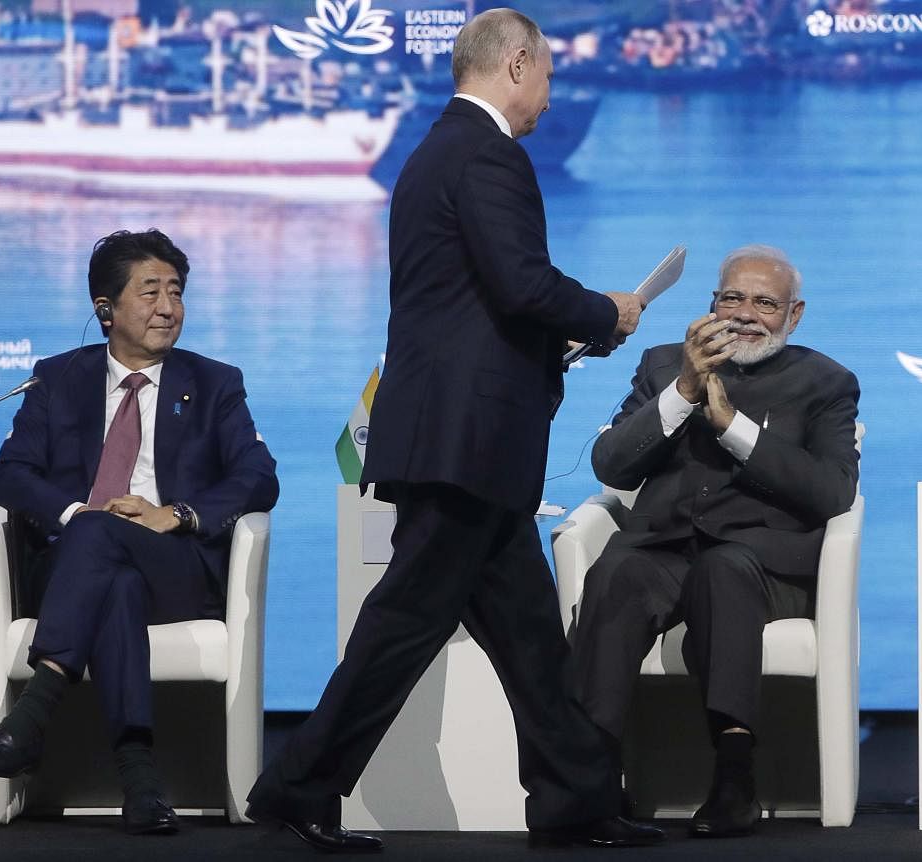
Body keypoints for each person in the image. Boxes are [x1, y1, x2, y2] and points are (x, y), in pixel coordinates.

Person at [246, 9, 661, 854]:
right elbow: (520, 285)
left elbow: (480, 300)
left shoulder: (437, 150)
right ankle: (296, 789)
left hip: (464, 440)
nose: (550, 96)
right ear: (515, 64)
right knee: (402, 625)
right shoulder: (487, 154)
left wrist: (566, 325)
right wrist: (606, 313)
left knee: (532, 640)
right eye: (545, 75)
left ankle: (576, 800)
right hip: (464, 443)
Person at [0, 229, 280, 835]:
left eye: (177, 292)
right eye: (150, 292)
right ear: (105, 310)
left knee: (109, 547)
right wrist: (79, 515)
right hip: (78, 570)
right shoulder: (57, 379)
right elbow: (7, 474)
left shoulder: (215, 383)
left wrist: (175, 513)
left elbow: (258, 478)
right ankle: (140, 783)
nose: (168, 307)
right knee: (111, 568)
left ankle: (29, 722)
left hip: (177, 567)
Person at [568, 244, 860, 839]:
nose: (746, 313)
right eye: (732, 297)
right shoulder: (661, 364)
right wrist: (682, 391)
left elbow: (832, 492)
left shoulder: (824, 382)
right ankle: (592, 777)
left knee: (723, 571)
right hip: (663, 549)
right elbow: (611, 465)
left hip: (762, 562)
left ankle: (734, 778)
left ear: (794, 314)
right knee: (618, 570)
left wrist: (732, 429)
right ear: (711, 305)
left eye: (765, 302)